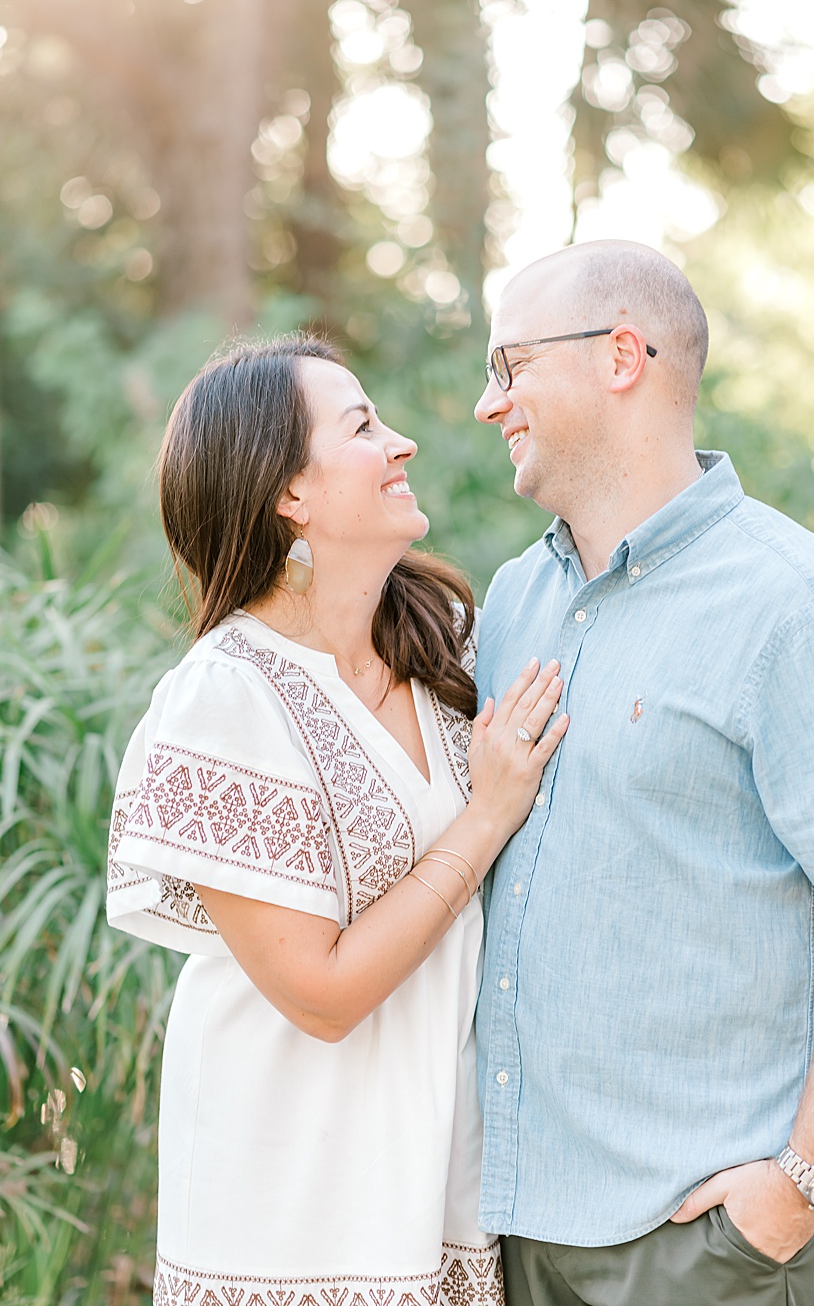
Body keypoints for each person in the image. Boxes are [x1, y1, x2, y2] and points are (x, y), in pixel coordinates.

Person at [469, 240, 814, 1305]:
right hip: (517, 1236)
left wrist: (796, 1191)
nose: (490, 404)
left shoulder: (801, 612)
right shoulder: (514, 600)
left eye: (510, 365)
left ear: (622, 356)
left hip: (704, 1250)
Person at [107, 336, 568, 1301]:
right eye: (362, 426)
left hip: (435, 1170)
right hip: (288, 1200)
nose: (401, 444)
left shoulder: (444, 650)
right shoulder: (223, 699)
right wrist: (483, 821)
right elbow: (319, 996)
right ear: (289, 494)